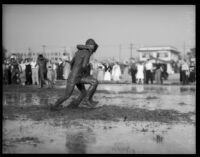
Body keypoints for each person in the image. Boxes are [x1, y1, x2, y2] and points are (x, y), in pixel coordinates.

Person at [50, 39, 99, 110]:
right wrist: (86, 73)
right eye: (93, 47)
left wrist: (76, 71)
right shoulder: (87, 53)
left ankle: (74, 105)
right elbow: (84, 66)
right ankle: (86, 100)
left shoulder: (78, 52)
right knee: (94, 82)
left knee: (81, 93)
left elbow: (72, 63)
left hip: (75, 76)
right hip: (75, 77)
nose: (93, 50)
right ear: (90, 46)